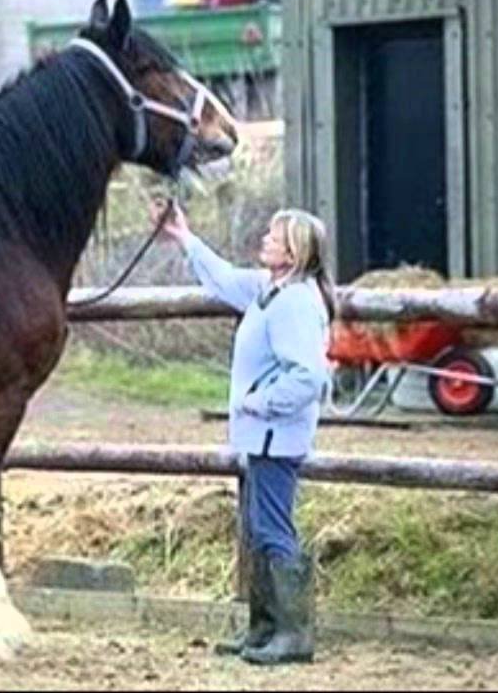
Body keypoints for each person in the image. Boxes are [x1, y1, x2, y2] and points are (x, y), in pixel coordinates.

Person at [150, 198, 335, 665]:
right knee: (259, 526)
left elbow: (309, 376)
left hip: (275, 433)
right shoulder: (270, 288)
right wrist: (185, 237)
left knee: (273, 529)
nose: (265, 240)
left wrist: (259, 403)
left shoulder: (293, 302)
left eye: (274, 236)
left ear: (292, 252)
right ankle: (264, 628)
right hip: (264, 434)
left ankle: (292, 634)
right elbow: (223, 278)